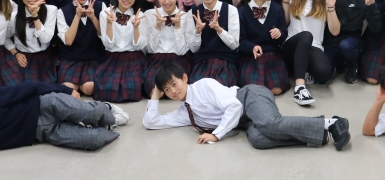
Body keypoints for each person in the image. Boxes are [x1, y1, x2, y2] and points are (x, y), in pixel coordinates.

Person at [143, 62, 351, 150]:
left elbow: (234, 106)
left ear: (184, 78)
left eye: (174, 84)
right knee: (258, 140)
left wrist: (216, 135)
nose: (173, 91)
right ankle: (318, 134)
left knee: (270, 124)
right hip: (244, 121)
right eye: (167, 90)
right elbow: (151, 122)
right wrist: (155, 95)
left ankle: (332, 123)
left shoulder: (204, 85)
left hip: (248, 96)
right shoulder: (184, 112)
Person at [0, 82, 125, 166]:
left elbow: (29, 87)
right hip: (43, 132)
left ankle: (105, 110)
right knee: (93, 139)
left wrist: (64, 89)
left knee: (90, 111)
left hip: (44, 105)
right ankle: (104, 124)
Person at [280, 0, 340, 105]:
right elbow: (285, 22)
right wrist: (285, 2)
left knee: (324, 73)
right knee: (306, 35)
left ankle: (302, 68)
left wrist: (331, 7)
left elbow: (335, 31)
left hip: (314, 46)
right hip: (292, 44)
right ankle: (300, 88)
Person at [328, 0, 381, 84]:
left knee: (345, 46)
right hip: (331, 38)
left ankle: (352, 64)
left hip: (352, 40)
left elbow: (376, 28)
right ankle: (340, 60)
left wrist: (371, 7)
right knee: (323, 75)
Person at [237, 0, 289, 94]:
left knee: (276, 90)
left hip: (273, 54)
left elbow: (284, 37)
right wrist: (252, 47)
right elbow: (240, 40)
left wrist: (279, 34)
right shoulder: (241, 11)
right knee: (254, 89)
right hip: (251, 56)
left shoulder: (277, 9)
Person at [96, 0, 146, 102]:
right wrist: (109, 24)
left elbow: (139, 46)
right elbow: (108, 45)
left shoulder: (140, 15)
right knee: (107, 89)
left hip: (133, 57)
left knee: (133, 89)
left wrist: (136, 27)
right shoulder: (105, 13)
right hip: (112, 57)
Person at [186, 0, 240, 86]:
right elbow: (193, 49)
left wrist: (219, 29)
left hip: (225, 60)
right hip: (201, 61)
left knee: (221, 86)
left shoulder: (231, 10)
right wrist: (197, 32)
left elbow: (234, 45)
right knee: (199, 88)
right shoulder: (192, 13)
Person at [56, 0, 106, 96]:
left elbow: (105, 36)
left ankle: (81, 85)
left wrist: (93, 18)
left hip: (93, 57)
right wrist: (77, 16)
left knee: (89, 88)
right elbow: (68, 41)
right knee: (68, 88)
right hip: (70, 58)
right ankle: (76, 85)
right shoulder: (62, 11)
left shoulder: (100, 6)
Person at [140, 0, 190, 97]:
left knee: (179, 86)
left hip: (178, 59)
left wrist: (178, 27)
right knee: (152, 88)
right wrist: (157, 26)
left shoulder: (185, 16)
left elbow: (182, 51)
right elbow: (150, 49)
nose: (167, 1)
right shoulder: (150, 14)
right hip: (156, 59)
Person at [5, 0, 57, 83]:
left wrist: (35, 16)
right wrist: (15, 53)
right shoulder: (14, 16)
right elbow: (5, 38)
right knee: (25, 88)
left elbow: (45, 39)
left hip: (46, 56)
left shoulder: (51, 10)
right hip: (24, 57)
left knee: (48, 89)